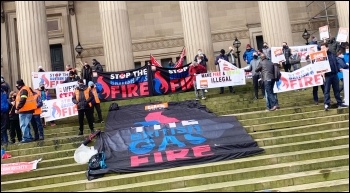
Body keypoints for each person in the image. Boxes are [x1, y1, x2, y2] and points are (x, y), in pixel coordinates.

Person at [320, 42, 347, 111]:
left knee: (336, 90)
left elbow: (336, 63)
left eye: (323, 48)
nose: (322, 49)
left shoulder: (332, 54)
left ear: (327, 48)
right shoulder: (320, 56)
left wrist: (339, 68)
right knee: (326, 90)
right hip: (327, 76)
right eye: (321, 48)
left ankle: (339, 103)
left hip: (334, 74)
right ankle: (327, 104)